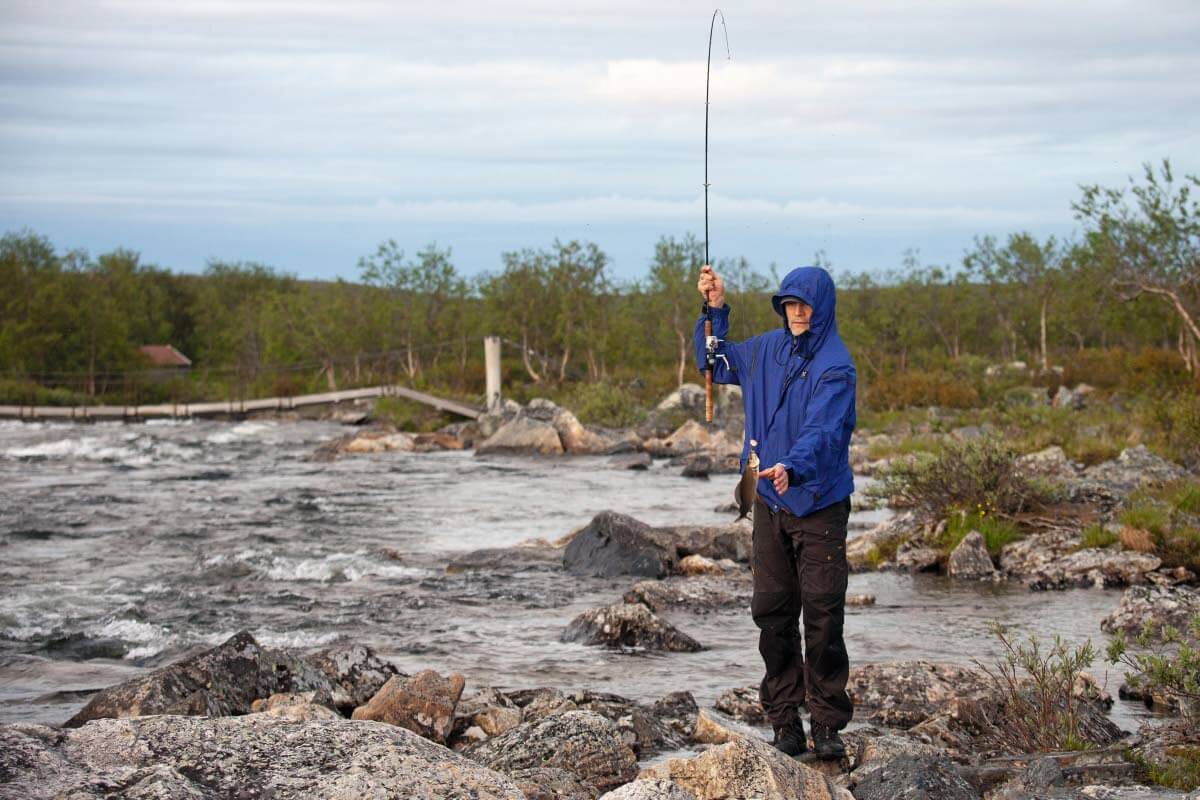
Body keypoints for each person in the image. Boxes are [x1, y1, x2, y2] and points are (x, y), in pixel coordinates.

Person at [694, 263, 856, 760]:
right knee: (772, 614)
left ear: (822, 307)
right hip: (768, 502)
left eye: (805, 305)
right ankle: (785, 722)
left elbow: (825, 432)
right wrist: (714, 309)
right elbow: (714, 363)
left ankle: (827, 724)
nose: (797, 312)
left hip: (818, 504)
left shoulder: (836, 365)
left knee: (823, 617)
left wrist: (792, 466)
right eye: (789, 304)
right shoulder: (765, 348)